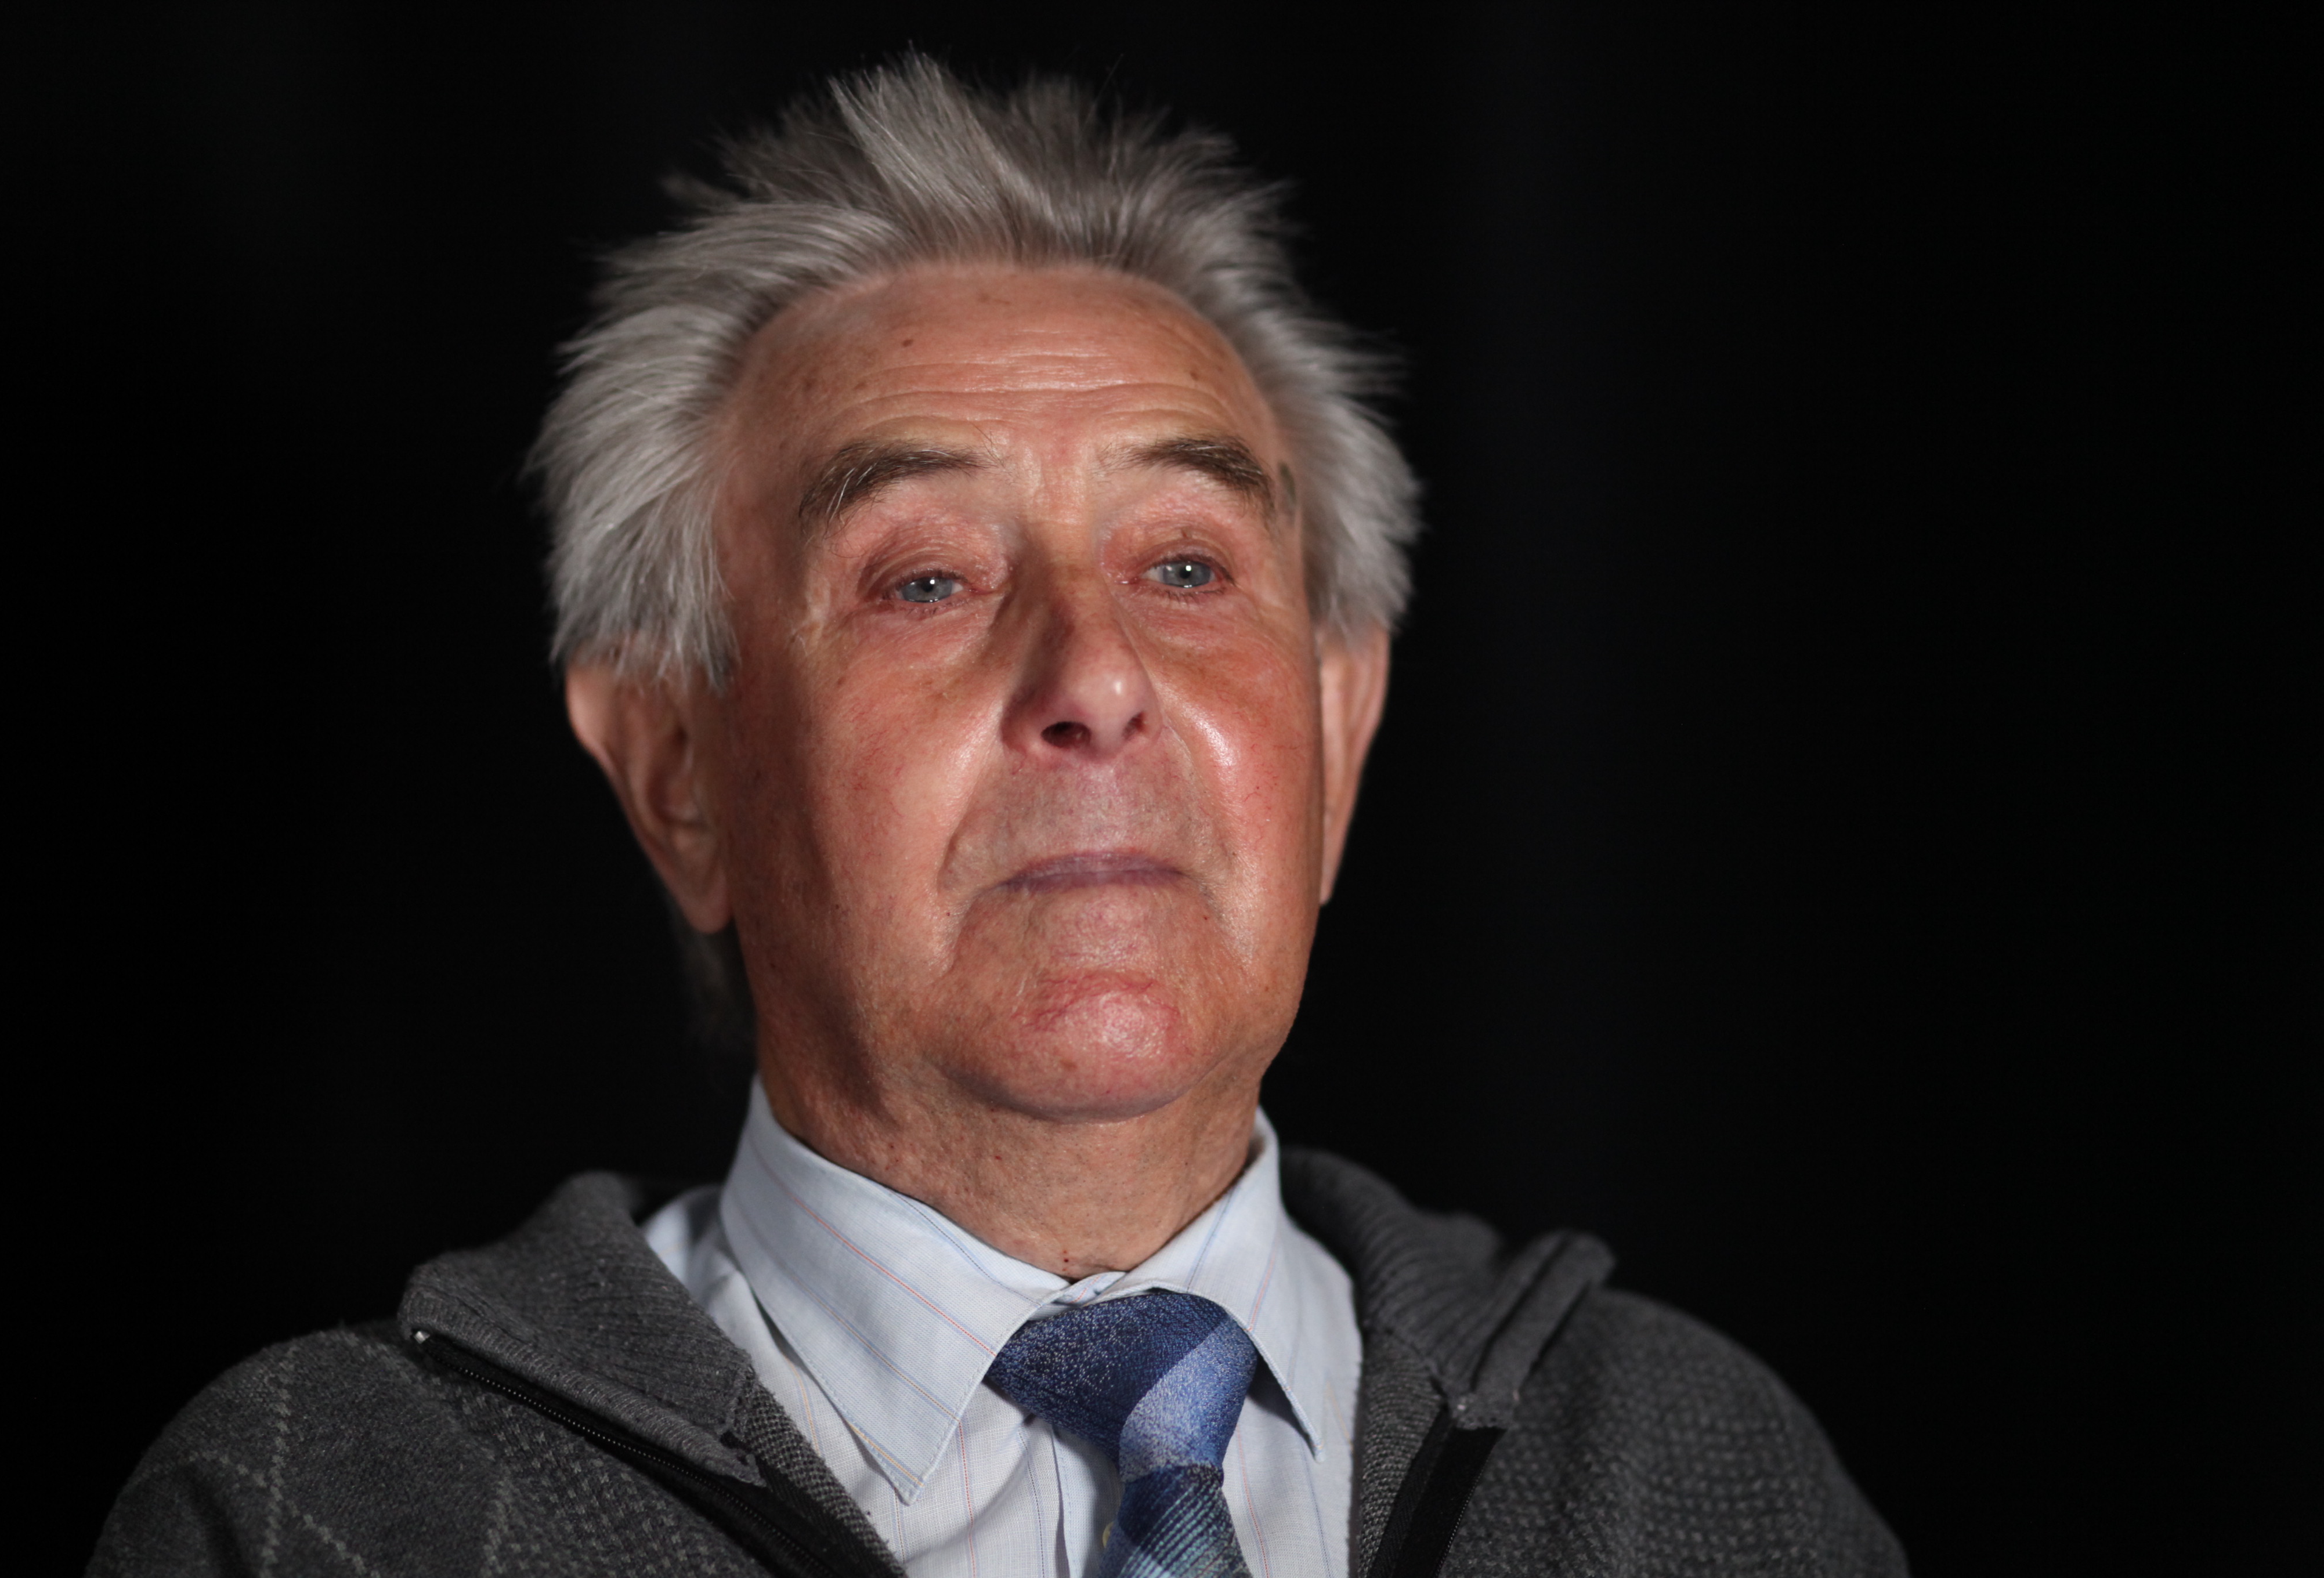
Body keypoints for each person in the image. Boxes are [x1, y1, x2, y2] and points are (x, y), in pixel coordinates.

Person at [92, 59, 1904, 1577]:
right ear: (676, 772)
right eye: (928, 579)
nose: (1096, 675)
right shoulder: (331, 1516)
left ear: (1341, 730)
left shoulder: (1693, 1475)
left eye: (1185, 565)